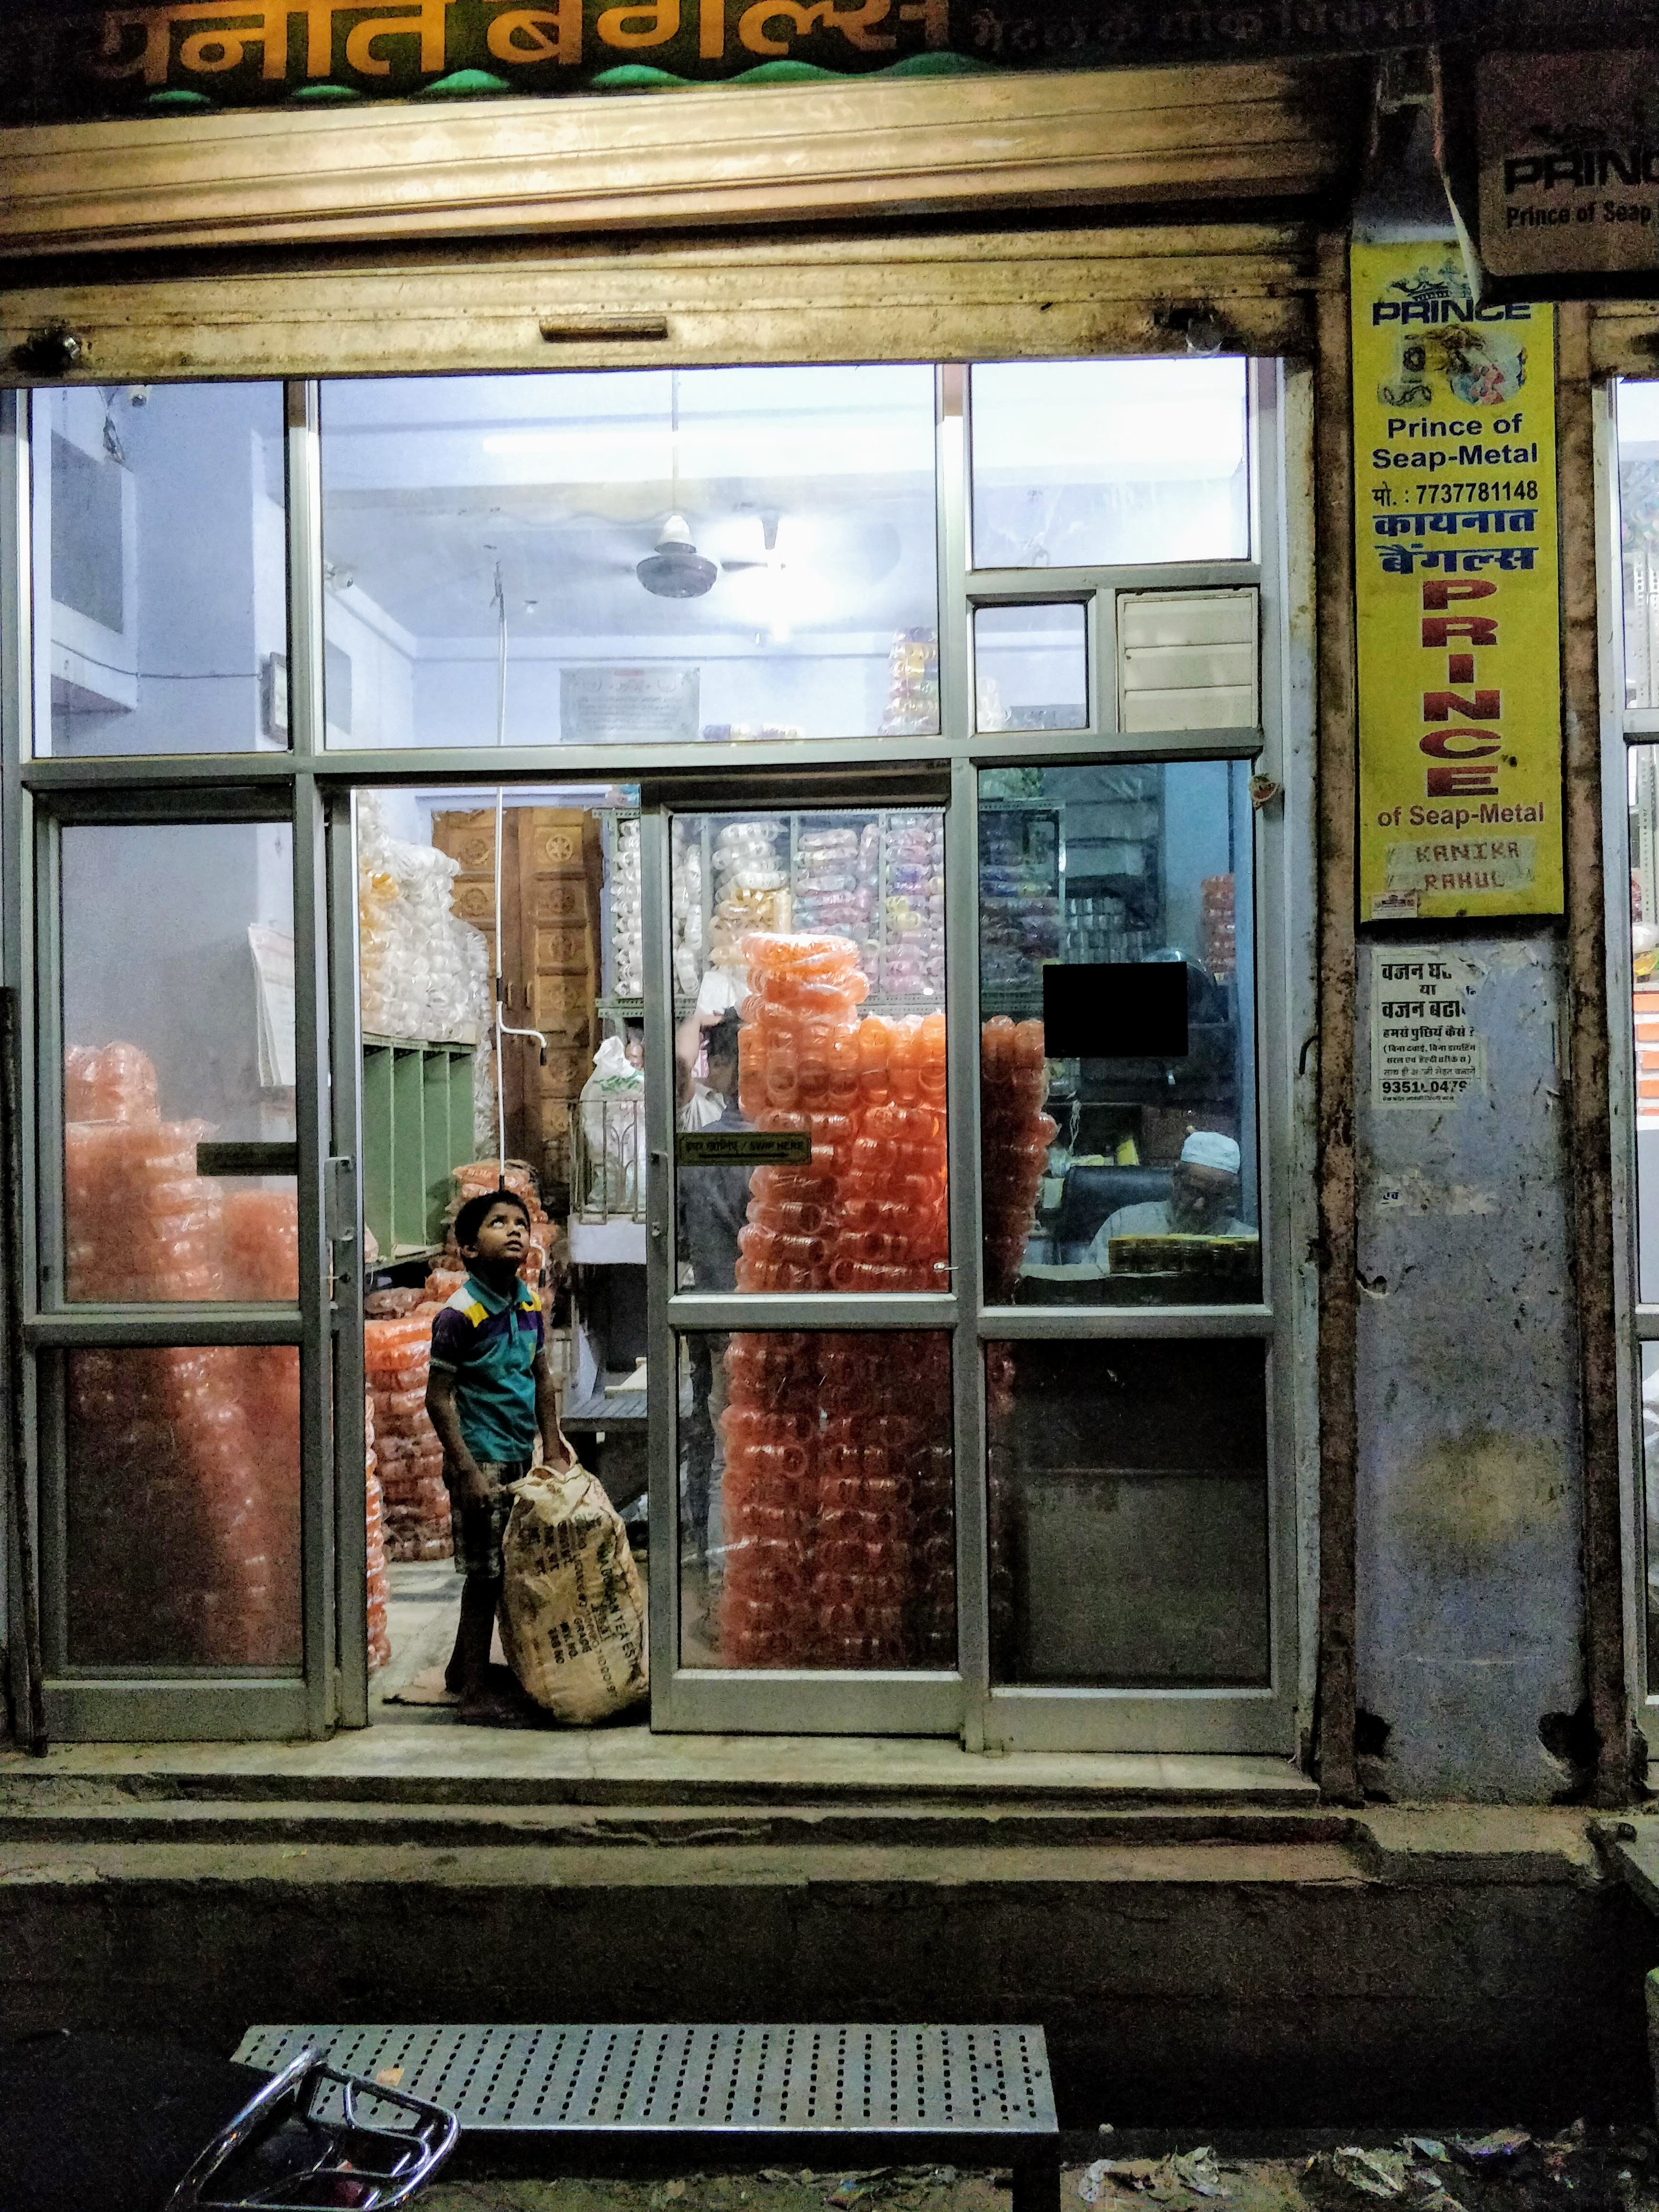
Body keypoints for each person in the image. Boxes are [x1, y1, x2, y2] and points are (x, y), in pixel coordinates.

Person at [425, 1187, 572, 1720]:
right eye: (497, 1223)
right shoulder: (460, 1314)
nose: (514, 1231)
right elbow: (437, 1399)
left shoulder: (528, 1303)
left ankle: (462, 1672)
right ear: (466, 1248)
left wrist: (552, 1448)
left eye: (520, 1223)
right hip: (479, 1459)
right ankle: (473, 1696)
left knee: (504, 1570)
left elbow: (541, 1377)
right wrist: (464, 1470)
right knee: (484, 1579)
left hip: (516, 1457)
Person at [674, 1011, 749, 1566]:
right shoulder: (794, 1145)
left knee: (720, 1439)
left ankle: (717, 1565)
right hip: (782, 1323)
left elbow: (676, 1232)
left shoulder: (697, 1151)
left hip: (716, 1317)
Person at [1087, 1130, 1254, 1269]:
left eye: (1215, 1196)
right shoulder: (1125, 1224)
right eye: (1192, 1190)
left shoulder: (1248, 1242)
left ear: (1230, 1194)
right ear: (1175, 1178)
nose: (1199, 1206)